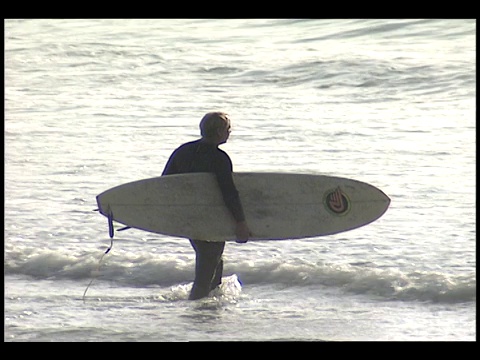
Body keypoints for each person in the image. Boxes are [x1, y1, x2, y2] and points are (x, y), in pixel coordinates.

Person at [162, 112, 251, 300]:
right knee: (209, 262)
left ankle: (209, 307)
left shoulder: (183, 151)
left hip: (187, 215)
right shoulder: (219, 158)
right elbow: (228, 193)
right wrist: (240, 222)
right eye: (228, 129)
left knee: (214, 260)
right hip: (210, 217)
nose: (230, 132)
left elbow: (164, 185)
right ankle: (197, 311)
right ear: (219, 132)